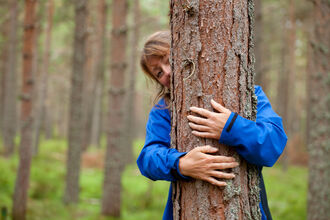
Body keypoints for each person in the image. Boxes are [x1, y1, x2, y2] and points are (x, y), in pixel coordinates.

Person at [137, 31, 287, 220]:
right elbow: (147, 158)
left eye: (168, 60)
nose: (166, 72)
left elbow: (273, 144)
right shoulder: (163, 109)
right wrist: (180, 164)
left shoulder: (248, 92)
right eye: (158, 72)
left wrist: (231, 127)